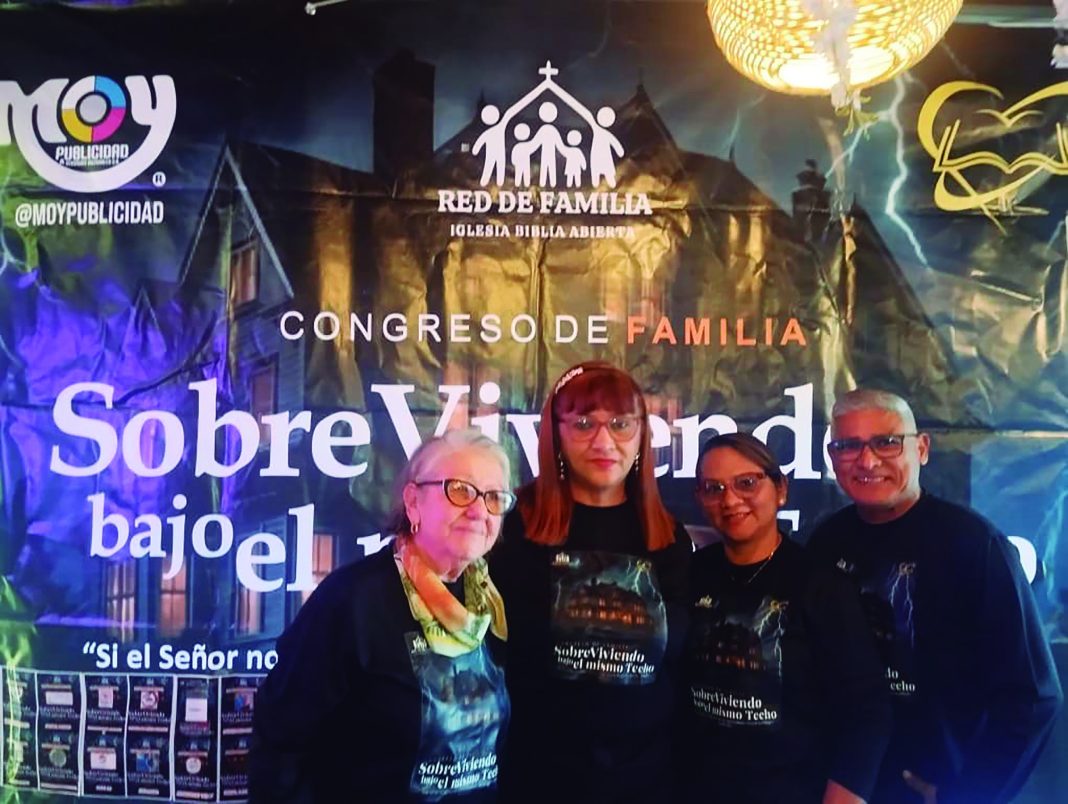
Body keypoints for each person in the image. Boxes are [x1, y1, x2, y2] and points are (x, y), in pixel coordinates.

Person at [808, 389, 1063, 804]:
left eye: (886, 442)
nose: (867, 461)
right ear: (833, 457)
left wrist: (964, 793)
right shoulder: (826, 540)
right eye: (848, 446)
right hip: (840, 783)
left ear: (922, 448)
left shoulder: (974, 545)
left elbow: (1033, 695)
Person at [249, 429, 516, 803]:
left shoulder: (493, 604)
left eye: (493, 497)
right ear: (413, 501)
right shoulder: (351, 600)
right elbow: (281, 741)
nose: (478, 511)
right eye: (460, 490)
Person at [489, 361, 692, 804]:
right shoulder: (512, 526)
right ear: (556, 433)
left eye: (620, 424)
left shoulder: (668, 537)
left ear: (641, 433)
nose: (604, 442)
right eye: (583, 424)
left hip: (645, 776)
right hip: (537, 771)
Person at [682, 433, 890, 804]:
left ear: (780, 489)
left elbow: (866, 710)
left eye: (747, 483)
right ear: (700, 499)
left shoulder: (822, 585)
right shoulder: (691, 573)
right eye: (714, 488)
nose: (730, 500)